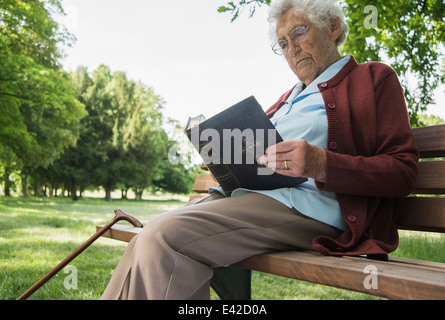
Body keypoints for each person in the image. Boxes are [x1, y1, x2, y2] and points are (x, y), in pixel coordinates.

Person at [101, 0, 418, 300]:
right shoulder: (287, 98)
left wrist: (322, 164)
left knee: (164, 238)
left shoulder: (373, 78)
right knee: (148, 237)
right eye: (282, 43)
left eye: (299, 32)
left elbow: (402, 172)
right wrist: (227, 160)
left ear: (333, 27)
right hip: (255, 201)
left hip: (311, 210)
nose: (291, 48)